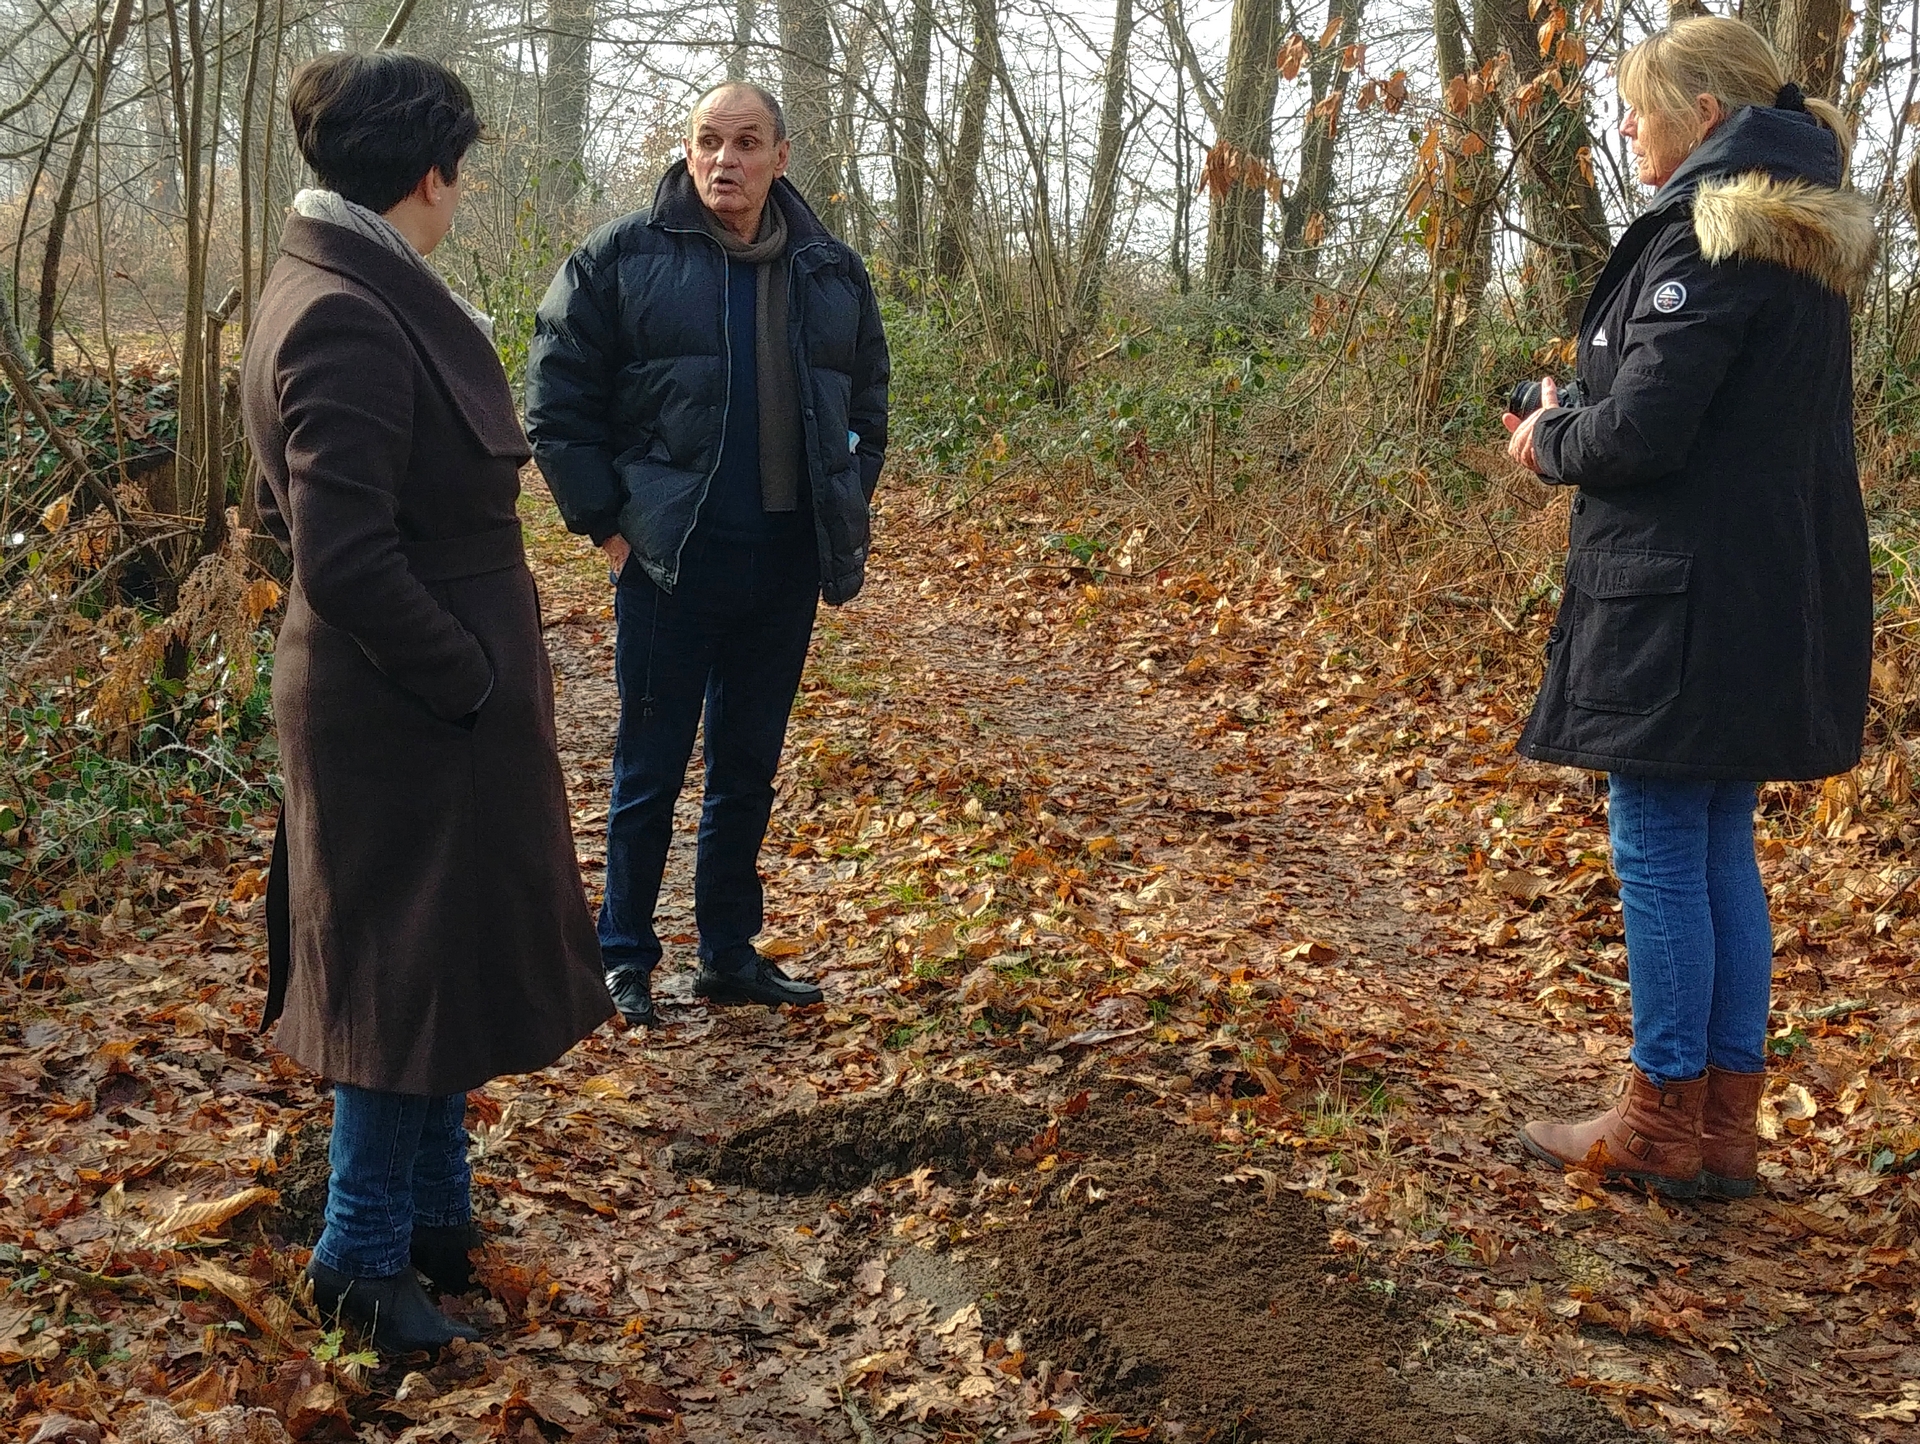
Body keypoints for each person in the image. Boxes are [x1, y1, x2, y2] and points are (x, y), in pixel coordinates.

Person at [242, 51, 613, 1351]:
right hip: (404, 705)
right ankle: (356, 1257)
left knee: (443, 957)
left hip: (420, 701)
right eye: (460, 169)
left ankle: (436, 1221)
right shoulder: (346, 307)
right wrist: (469, 676)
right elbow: (341, 557)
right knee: (399, 980)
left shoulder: (347, 279)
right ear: (429, 175)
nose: (461, 191)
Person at [1503, 16, 1873, 1198]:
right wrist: (1588, 400)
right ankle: (1718, 1124)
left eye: (1638, 107)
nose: (1624, 126)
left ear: (1703, 117)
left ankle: (1664, 1118)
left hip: (1683, 603)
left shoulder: (1712, 238)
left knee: (1660, 840)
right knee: (1715, 844)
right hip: (1759, 591)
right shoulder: (1795, 238)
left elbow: (1647, 432)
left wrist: (1549, 436)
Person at [525, 81, 889, 1029]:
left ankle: (727, 953)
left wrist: (836, 512)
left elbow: (867, 412)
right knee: (649, 768)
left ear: (781, 155)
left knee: (747, 768)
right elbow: (556, 408)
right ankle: (623, 956)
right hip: (669, 563)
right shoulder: (620, 258)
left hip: (781, 567)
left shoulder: (831, 271)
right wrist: (609, 530)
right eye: (708, 141)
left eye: (746, 142)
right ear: (688, 152)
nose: (725, 160)